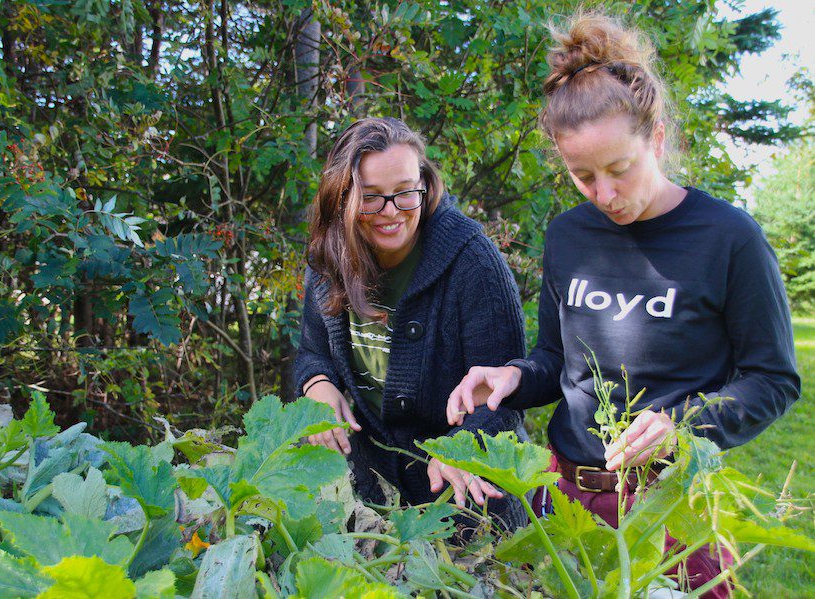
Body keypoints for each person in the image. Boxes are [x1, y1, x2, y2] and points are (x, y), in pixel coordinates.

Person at [446, 12, 800, 597]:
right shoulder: (567, 236)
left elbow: (773, 379)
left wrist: (681, 425)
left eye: (620, 170)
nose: (605, 195)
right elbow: (556, 361)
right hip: (567, 500)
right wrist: (511, 376)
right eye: (583, 176)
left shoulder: (728, 239)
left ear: (655, 140)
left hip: (674, 507)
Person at [295, 117, 530, 531]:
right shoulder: (328, 261)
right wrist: (316, 384)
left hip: (469, 503)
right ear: (343, 197)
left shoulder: (472, 262)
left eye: (406, 193)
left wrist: (463, 445)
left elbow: (507, 395)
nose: (392, 212)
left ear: (424, 183)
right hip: (372, 501)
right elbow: (312, 353)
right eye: (372, 198)